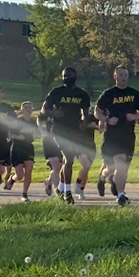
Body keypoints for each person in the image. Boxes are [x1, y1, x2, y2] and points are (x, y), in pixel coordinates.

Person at [94, 66, 139, 206]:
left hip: (128, 135)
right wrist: (106, 119)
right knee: (119, 165)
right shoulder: (108, 94)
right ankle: (120, 195)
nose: (123, 77)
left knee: (122, 168)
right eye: (121, 74)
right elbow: (97, 112)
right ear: (115, 76)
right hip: (112, 136)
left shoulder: (134, 94)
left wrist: (134, 116)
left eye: (125, 74)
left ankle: (105, 177)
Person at [42, 67, 94, 204]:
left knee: (68, 161)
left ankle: (60, 188)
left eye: (69, 76)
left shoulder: (81, 94)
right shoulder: (56, 92)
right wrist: (54, 113)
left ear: (75, 76)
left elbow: (86, 112)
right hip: (59, 129)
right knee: (69, 158)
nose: (67, 78)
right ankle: (67, 192)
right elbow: (44, 109)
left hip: (75, 130)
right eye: (64, 76)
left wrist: (84, 122)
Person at [10, 102, 37, 202]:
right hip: (17, 148)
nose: (28, 109)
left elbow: (36, 132)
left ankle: (24, 194)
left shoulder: (34, 122)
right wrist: (18, 137)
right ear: (22, 110)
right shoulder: (17, 121)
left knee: (29, 171)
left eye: (30, 107)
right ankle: (12, 178)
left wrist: (37, 135)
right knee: (20, 175)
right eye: (26, 107)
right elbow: (9, 133)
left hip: (28, 147)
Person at [37, 112, 63, 198]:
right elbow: (39, 118)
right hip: (49, 141)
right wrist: (42, 130)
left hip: (61, 140)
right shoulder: (48, 110)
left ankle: (48, 181)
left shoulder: (65, 110)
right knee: (55, 166)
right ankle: (58, 191)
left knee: (59, 166)